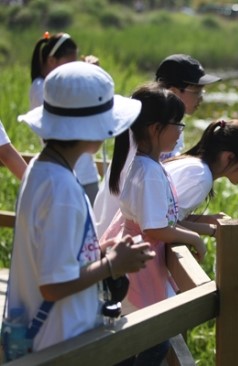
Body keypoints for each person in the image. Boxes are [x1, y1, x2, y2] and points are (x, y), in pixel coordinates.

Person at [5, 61, 154, 354]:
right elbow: (53, 286)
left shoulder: (43, 167)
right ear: (95, 127)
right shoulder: (60, 188)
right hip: (59, 344)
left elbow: (51, 253)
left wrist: (99, 250)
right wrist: (113, 264)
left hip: (48, 336)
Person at [101, 84, 207, 365]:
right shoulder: (148, 171)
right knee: (153, 339)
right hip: (141, 262)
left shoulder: (147, 164)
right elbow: (153, 227)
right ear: (154, 128)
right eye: (177, 124)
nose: (181, 131)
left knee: (135, 338)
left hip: (137, 255)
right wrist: (194, 239)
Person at [94, 53, 221, 237]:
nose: (201, 98)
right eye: (197, 91)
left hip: (131, 226)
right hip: (123, 229)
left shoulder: (159, 129)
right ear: (173, 90)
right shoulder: (148, 130)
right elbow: (156, 222)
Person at [28, 31, 101, 203]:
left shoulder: (47, 86)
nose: (73, 69)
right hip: (69, 173)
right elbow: (76, 107)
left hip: (84, 173)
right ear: (51, 61)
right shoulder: (41, 87)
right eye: (70, 64)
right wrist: (90, 75)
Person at [163, 119, 238, 236]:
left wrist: (208, 219)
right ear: (229, 157)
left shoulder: (194, 166)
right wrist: (213, 231)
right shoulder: (200, 177)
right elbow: (164, 223)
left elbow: (170, 217)